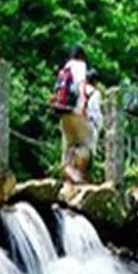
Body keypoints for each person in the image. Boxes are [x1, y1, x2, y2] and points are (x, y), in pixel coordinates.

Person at [52, 45, 91, 183]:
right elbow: (81, 86)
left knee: (69, 145)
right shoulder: (80, 65)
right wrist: (84, 105)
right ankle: (78, 177)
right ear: (81, 56)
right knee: (86, 145)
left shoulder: (65, 68)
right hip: (76, 110)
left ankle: (67, 172)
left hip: (62, 110)